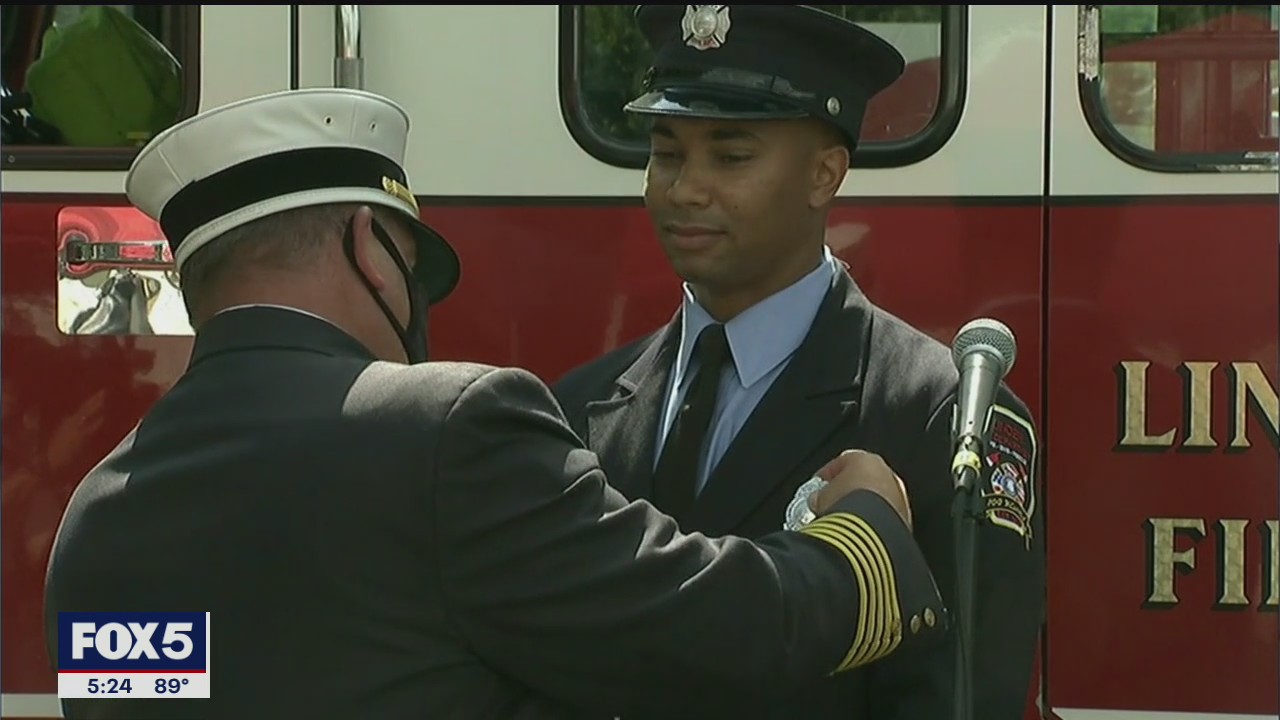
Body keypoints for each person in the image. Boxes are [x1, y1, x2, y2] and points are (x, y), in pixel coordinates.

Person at [42, 87, 949, 720]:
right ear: (369, 244)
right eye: (412, 266)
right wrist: (864, 534)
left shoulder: (97, 521)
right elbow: (717, 631)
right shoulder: (445, 432)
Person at [553, 5, 1046, 720]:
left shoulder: (939, 417)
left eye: (731, 157)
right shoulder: (579, 408)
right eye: (666, 153)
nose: (685, 188)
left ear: (824, 174)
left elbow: (963, 697)